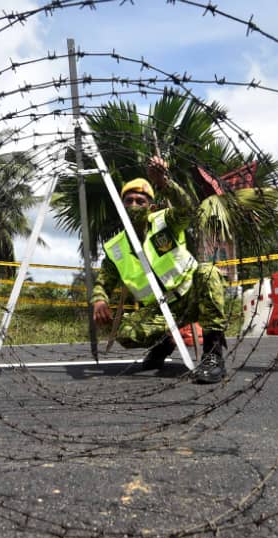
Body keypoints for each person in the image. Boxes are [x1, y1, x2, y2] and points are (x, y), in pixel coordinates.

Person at [91, 155, 228, 384]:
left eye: (140, 201)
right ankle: (164, 342)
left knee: (208, 273)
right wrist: (99, 300)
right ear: (121, 206)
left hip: (191, 294)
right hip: (161, 310)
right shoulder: (116, 248)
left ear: (151, 206)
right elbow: (103, 281)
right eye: (129, 200)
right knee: (126, 332)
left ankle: (213, 355)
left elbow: (188, 208)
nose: (134, 205)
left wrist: (165, 182)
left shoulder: (167, 222)